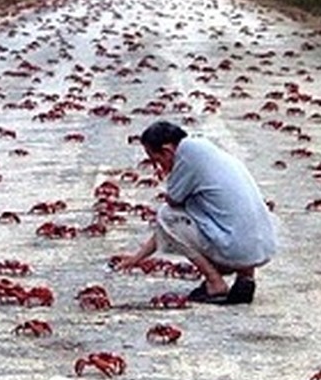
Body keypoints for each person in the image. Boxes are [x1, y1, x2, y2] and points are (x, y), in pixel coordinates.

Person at [112, 121, 276, 305]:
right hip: (261, 248)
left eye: (157, 160)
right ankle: (245, 279)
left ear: (167, 151)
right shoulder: (206, 149)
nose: (158, 167)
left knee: (167, 214)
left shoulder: (187, 158)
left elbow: (171, 210)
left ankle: (215, 283)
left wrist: (170, 175)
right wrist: (137, 258)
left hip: (235, 250)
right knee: (223, 210)